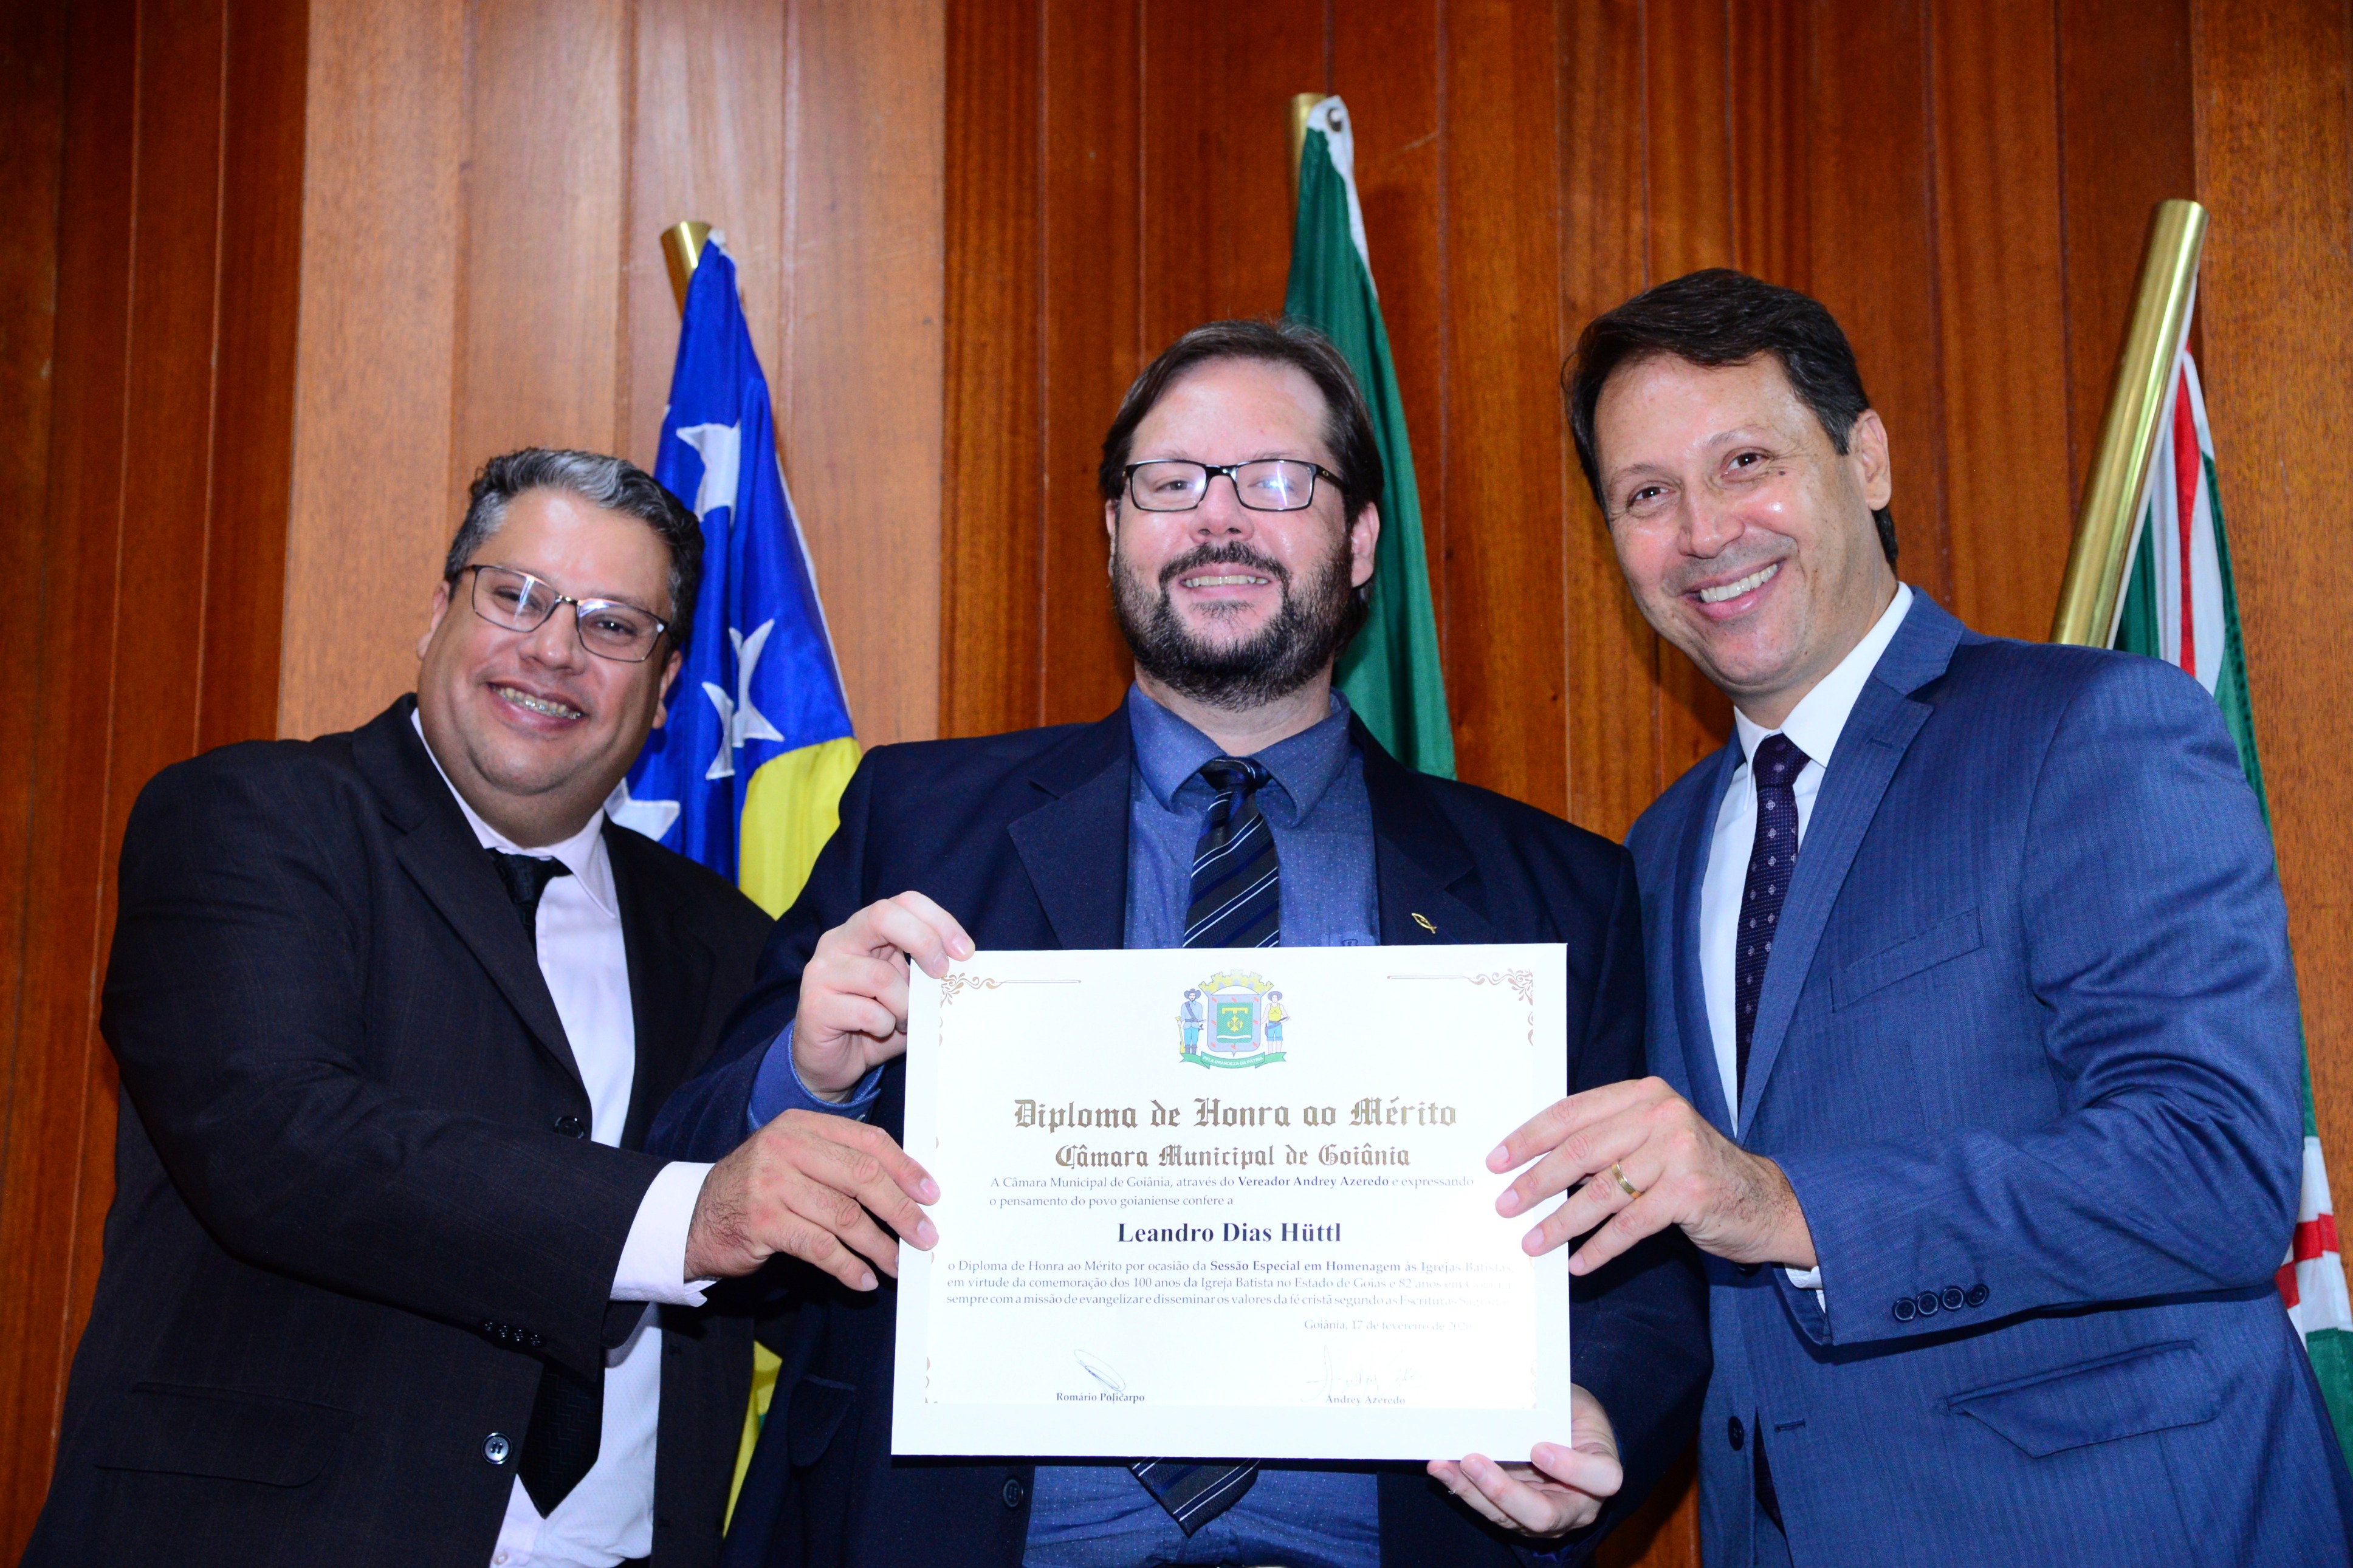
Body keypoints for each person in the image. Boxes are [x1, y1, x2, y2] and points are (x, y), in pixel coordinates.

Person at [650, 319, 1709, 1567]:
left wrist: (1598, 1416)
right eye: (1170, 482)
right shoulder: (916, 822)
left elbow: (1640, 1268)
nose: (1219, 517)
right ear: (1114, 530)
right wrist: (804, 1076)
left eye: (1277, 480)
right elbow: (680, 1185)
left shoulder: (1558, 892)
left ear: (1361, 542)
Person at [1492, 268, 2353, 1565]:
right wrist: (1592, 1418)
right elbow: (1682, 1244)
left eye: (1745, 462)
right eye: (1647, 495)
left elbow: (2214, 1170)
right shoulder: (1657, 853)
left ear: (1869, 460)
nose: (1705, 531)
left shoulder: (2089, 729)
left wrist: (1789, 1205)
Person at [25, 449, 906, 1568]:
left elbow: (783, 1285)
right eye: (517, 595)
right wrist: (682, 1217)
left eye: (613, 625)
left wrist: (815, 1091)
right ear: (440, 608)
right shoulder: (253, 818)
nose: (554, 648)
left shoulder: (729, 938)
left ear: (666, 689)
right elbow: (278, 1140)